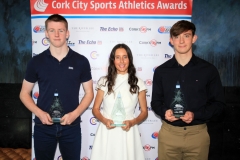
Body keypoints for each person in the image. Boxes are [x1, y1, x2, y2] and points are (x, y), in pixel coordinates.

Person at [19, 14, 94, 160]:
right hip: (43, 127)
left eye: (61, 30)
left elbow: (89, 92)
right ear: (46, 33)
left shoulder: (81, 61)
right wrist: (39, 113)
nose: (57, 34)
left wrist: (74, 114)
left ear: (67, 33)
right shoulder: (36, 62)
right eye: (52, 30)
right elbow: (24, 93)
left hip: (71, 127)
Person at [151, 20, 225, 160]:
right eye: (177, 36)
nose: (181, 41)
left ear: (194, 38)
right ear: (171, 40)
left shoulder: (208, 70)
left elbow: (219, 104)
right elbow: (156, 102)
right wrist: (164, 112)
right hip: (169, 136)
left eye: (186, 35)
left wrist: (195, 115)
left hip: (197, 136)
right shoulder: (161, 71)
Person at [90, 43, 148, 160]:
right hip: (107, 132)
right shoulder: (104, 81)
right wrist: (105, 120)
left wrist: (132, 122)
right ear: (113, 60)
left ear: (130, 59)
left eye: (125, 57)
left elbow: (144, 112)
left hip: (128, 132)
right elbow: (95, 109)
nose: (121, 61)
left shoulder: (139, 83)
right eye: (117, 57)